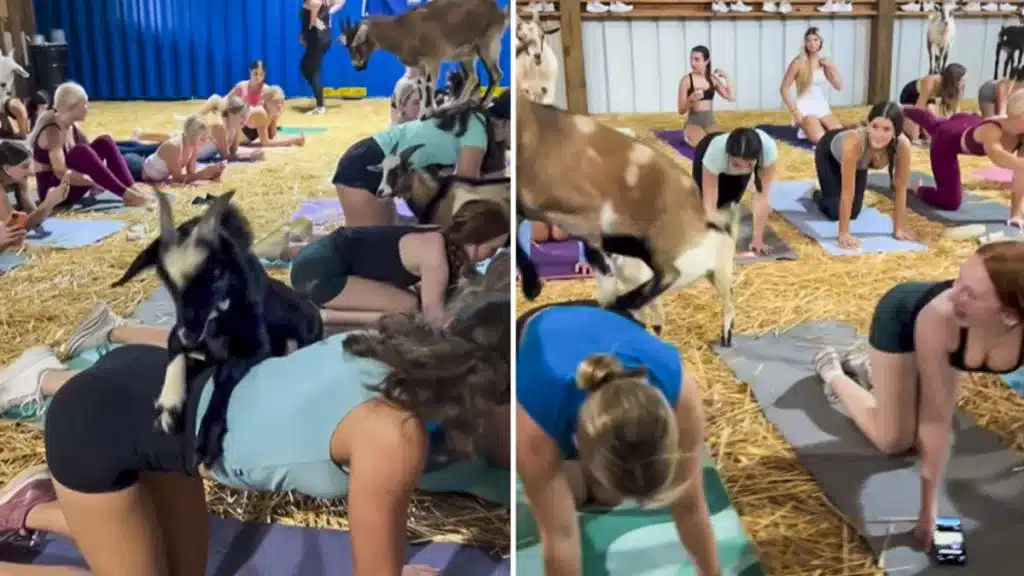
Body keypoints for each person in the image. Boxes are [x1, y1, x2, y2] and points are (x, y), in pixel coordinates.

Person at [0, 290, 510, 576]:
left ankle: (29, 509)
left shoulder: (382, 346)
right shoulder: (395, 436)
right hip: (103, 420)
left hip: (161, 403)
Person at [812, 240, 1024, 552]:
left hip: (949, 344)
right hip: (902, 319)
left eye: (971, 293)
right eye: (959, 279)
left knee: (906, 413)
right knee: (894, 441)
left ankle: (877, 373)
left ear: (1009, 316)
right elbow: (936, 419)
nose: (954, 294)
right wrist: (929, 511)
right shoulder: (941, 314)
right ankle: (834, 374)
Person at [516, 301, 720, 576]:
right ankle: (590, 482)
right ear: (577, 443)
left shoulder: (679, 389)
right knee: (576, 496)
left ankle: (601, 486)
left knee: (608, 493)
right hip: (538, 327)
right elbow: (559, 537)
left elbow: (691, 505)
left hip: (607, 319)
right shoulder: (535, 417)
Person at [267, 200, 509, 329]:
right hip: (316, 274)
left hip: (317, 258)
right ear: (476, 241)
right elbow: (433, 319)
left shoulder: (439, 236)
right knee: (410, 308)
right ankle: (325, 316)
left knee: (408, 300)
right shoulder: (436, 257)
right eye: (492, 248)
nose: (491, 256)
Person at [332, 90, 511, 227]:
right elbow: (465, 186)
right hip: (367, 164)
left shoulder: (479, 127)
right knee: (364, 244)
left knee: (385, 236)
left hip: (380, 163)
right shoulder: (477, 128)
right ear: (507, 122)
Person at [901, 91, 1024, 226]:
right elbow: (998, 156)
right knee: (950, 202)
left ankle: (903, 110)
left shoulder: (1021, 134)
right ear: (1019, 115)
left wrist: (1015, 214)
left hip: (965, 122)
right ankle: (918, 188)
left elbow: (1020, 174)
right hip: (945, 141)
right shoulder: (992, 129)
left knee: (936, 124)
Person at [26, 81, 150, 207]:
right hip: (53, 193)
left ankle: (132, 188)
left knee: (104, 141)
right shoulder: (53, 131)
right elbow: (60, 172)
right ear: (72, 106)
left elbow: (92, 159)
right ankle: (127, 195)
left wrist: (100, 178)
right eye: (85, 103)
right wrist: (95, 182)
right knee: (80, 151)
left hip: (69, 185)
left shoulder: (72, 126)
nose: (88, 107)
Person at [812, 102, 915, 250]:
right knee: (835, 211)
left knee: (854, 213)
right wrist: (844, 233)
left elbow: (901, 186)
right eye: (875, 127)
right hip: (829, 154)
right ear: (868, 125)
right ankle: (816, 192)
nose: (879, 134)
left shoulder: (902, 145)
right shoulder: (855, 140)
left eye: (886, 129)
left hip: (860, 163)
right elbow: (848, 192)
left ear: (895, 132)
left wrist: (898, 229)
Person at [692, 127, 779, 255]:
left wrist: (757, 239)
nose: (743, 168)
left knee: (730, 203)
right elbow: (709, 205)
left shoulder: (768, 151)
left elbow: (762, 197)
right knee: (702, 207)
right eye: (737, 165)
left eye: (749, 164)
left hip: (736, 157)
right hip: (709, 152)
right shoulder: (714, 154)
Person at [128, 96, 264, 164]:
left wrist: (237, 130)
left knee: (146, 149)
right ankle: (137, 136)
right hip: (182, 147)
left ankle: (137, 137)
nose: (244, 121)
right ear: (232, 113)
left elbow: (233, 151)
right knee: (143, 149)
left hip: (191, 152)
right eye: (241, 117)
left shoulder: (233, 127)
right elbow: (226, 156)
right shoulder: (220, 127)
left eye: (245, 117)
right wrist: (249, 157)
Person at [780, 27, 844, 144]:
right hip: (804, 108)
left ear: (821, 42)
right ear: (805, 43)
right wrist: (795, 112)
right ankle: (809, 128)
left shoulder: (824, 63)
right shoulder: (798, 62)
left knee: (839, 136)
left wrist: (832, 68)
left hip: (821, 106)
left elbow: (839, 86)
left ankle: (820, 126)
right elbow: (784, 89)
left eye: (815, 40)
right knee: (820, 139)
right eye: (808, 40)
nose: (812, 43)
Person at [121, 115, 225, 184]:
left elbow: (190, 175)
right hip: (136, 168)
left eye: (206, 138)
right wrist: (204, 172)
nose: (206, 142)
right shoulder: (174, 147)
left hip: (146, 166)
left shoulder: (193, 146)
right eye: (203, 139)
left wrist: (210, 174)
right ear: (193, 135)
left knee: (133, 147)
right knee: (117, 153)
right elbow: (178, 179)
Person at [0, 141, 71, 232]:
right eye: (25, 167)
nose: (31, 173)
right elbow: (14, 228)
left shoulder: (17, 178)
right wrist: (48, 204)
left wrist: (52, 202)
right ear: (6, 168)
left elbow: (30, 212)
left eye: (30, 166)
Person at [677, 45, 734, 148]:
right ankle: (688, 136)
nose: (692, 63)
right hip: (693, 123)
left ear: (706, 61)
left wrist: (726, 77)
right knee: (704, 146)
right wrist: (691, 100)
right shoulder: (686, 80)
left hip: (710, 123)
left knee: (722, 146)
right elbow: (681, 110)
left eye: (697, 59)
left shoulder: (712, 79)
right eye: (691, 59)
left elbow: (731, 97)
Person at [896, 63, 966, 143]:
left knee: (936, 112)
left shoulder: (955, 88)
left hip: (929, 98)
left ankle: (925, 135)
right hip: (910, 95)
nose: (963, 84)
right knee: (925, 112)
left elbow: (955, 111)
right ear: (954, 79)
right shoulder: (931, 82)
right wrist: (915, 137)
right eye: (962, 81)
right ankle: (915, 135)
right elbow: (918, 109)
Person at [300, 0, 345, 116]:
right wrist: (305, 34)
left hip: (318, 39)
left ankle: (320, 106)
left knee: (313, 70)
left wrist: (314, 22)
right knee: (305, 66)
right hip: (318, 38)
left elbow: (313, 18)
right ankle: (319, 95)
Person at [238, 86, 307, 148]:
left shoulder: (274, 113)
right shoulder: (260, 113)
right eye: (276, 101)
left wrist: (292, 139)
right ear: (266, 102)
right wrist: (293, 141)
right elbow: (266, 143)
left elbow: (273, 137)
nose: (279, 105)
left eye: (282, 101)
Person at [196, 60, 268, 114]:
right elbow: (227, 98)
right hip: (237, 115)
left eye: (261, 74)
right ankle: (195, 121)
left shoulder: (267, 90)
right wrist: (217, 106)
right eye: (255, 73)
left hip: (253, 120)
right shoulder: (242, 85)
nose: (258, 77)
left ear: (264, 75)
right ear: (250, 71)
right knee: (214, 98)